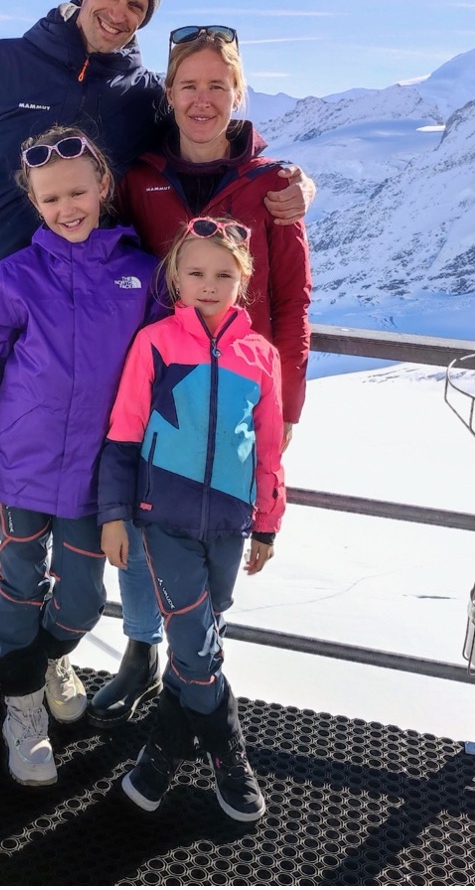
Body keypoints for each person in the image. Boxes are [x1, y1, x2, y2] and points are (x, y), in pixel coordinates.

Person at [0, 0, 311, 727]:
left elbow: (193, 151)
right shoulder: (0, 61)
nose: (118, 11)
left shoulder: (140, 94)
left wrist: (287, 178)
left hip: (81, 330)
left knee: (68, 489)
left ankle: (40, 656)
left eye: (136, 4)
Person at [89, 25, 311, 728]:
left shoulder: (273, 186)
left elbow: (291, 299)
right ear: (169, 92)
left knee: (214, 537)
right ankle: (139, 651)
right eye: (189, 84)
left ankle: (195, 676)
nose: (202, 98)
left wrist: (287, 407)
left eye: (217, 84)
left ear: (236, 91)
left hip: (240, 391)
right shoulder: (140, 177)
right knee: (145, 523)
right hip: (152, 385)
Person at [0, 126, 160, 785]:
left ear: (103, 188)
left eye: (77, 192)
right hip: (21, 470)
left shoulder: (141, 275)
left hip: (101, 478)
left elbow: (160, 375)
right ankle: (22, 706)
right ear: (33, 204)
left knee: (85, 598)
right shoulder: (15, 276)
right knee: (15, 583)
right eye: (49, 199)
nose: (66, 208)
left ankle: (45, 657)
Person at [98, 217, 287, 820]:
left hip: (231, 525)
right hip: (165, 520)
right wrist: (113, 515)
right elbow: (124, 434)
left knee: (200, 641)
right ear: (175, 274)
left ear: (245, 280)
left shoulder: (261, 356)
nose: (209, 284)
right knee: (196, 642)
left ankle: (163, 750)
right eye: (196, 271)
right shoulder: (155, 342)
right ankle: (227, 753)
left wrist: (267, 523)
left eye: (223, 274)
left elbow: (268, 447)